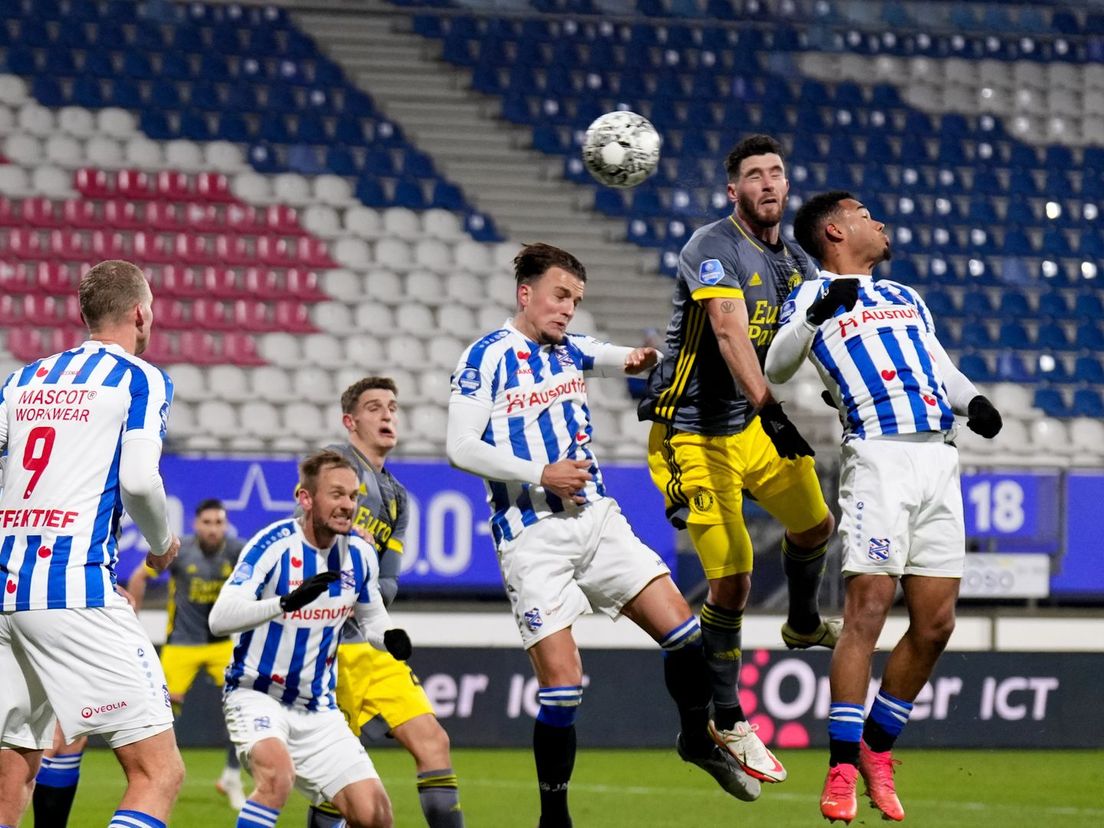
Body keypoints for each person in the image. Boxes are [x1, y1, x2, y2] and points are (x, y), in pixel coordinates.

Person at [447, 242, 760, 828]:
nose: (568, 309)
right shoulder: (486, 357)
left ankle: (696, 739)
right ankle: (554, 818)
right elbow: (459, 447)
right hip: (531, 535)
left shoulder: (569, 350)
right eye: (560, 296)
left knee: (687, 636)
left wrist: (639, 359)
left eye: (576, 300)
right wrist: (541, 473)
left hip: (595, 520)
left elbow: (613, 355)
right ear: (526, 294)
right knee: (564, 688)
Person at [765, 191, 1003, 823]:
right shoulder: (808, 297)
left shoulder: (904, 297)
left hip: (939, 456)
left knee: (936, 623)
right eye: (867, 215)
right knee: (868, 605)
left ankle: (875, 749)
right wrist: (817, 314)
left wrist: (971, 399)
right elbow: (778, 365)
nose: (881, 223)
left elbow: (939, 366)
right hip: (878, 458)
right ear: (836, 231)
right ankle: (842, 766)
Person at [636, 133, 838, 785]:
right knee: (734, 577)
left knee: (816, 525)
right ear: (735, 191)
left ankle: (803, 623)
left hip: (747, 425)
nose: (769, 183)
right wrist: (774, 411)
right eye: (755, 175)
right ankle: (725, 716)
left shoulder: (799, 267)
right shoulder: (711, 246)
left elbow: (812, 343)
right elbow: (726, 329)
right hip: (689, 428)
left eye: (777, 172)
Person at [0, 259, 185, 828]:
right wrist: (160, 542)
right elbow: (137, 480)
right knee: (158, 773)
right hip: (73, 588)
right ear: (139, 312)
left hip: (6, 591)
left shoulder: (23, 379)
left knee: (14, 766)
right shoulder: (140, 377)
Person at [210, 449, 414, 828]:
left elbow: (372, 617)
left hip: (318, 708)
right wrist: (284, 603)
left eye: (353, 496)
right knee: (276, 777)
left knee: (376, 815)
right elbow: (220, 618)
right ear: (306, 498)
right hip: (257, 695)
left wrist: (390, 638)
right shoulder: (272, 544)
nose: (348, 505)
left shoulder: (360, 555)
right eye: (336, 494)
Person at [306, 377, 464, 828]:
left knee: (433, 741)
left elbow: (389, 580)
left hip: (371, 643)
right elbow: (304, 543)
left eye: (392, 407)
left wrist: (367, 593)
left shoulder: (397, 498)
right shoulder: (334, 471)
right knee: (335, 786)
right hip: (326, 648)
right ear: (350, 422)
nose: (387, 415)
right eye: (374, 407)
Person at [127, 498, 248, 810]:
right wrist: (132, 619)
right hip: (181, 643)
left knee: (241, 709)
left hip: (221, 644)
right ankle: (154, 776)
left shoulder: (237, 551)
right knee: (163, 714)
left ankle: (232, 776)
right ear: (197, 525)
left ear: (226, 525)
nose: (213, 528)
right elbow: (140, 576)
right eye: (207, 523)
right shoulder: (181, 552)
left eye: (218, 523)